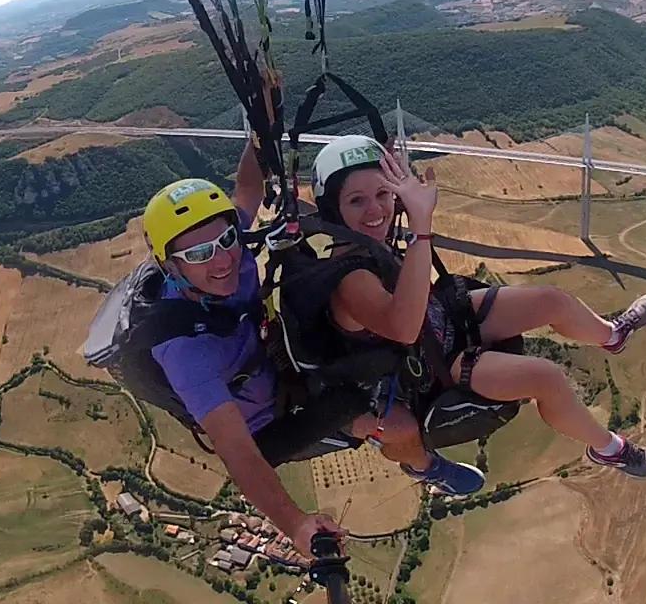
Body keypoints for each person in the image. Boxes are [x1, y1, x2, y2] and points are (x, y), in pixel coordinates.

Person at [136, 139, 485, 553]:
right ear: (170, 265)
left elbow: (248, 189)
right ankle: (423, 466)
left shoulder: (228, 252)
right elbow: (238, 452)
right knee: (400, 425)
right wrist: (296, 524)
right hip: (269, 426)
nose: (222, 260)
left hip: (281, 367)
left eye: (227, 239)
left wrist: (259, 136)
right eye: (199, 253)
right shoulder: (184, 351)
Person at [306, 134, 646, 478]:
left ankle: (612, 336)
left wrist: (386, 171)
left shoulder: (368, 244)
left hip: (439, 326)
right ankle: (610, 449)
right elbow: (404, 329)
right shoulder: (351, 279)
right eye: (356, 200)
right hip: (431, 368)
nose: (375, 209)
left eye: (383, 194)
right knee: (546, 378)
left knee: (552, 301)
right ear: (333, 209)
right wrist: (421, 225)